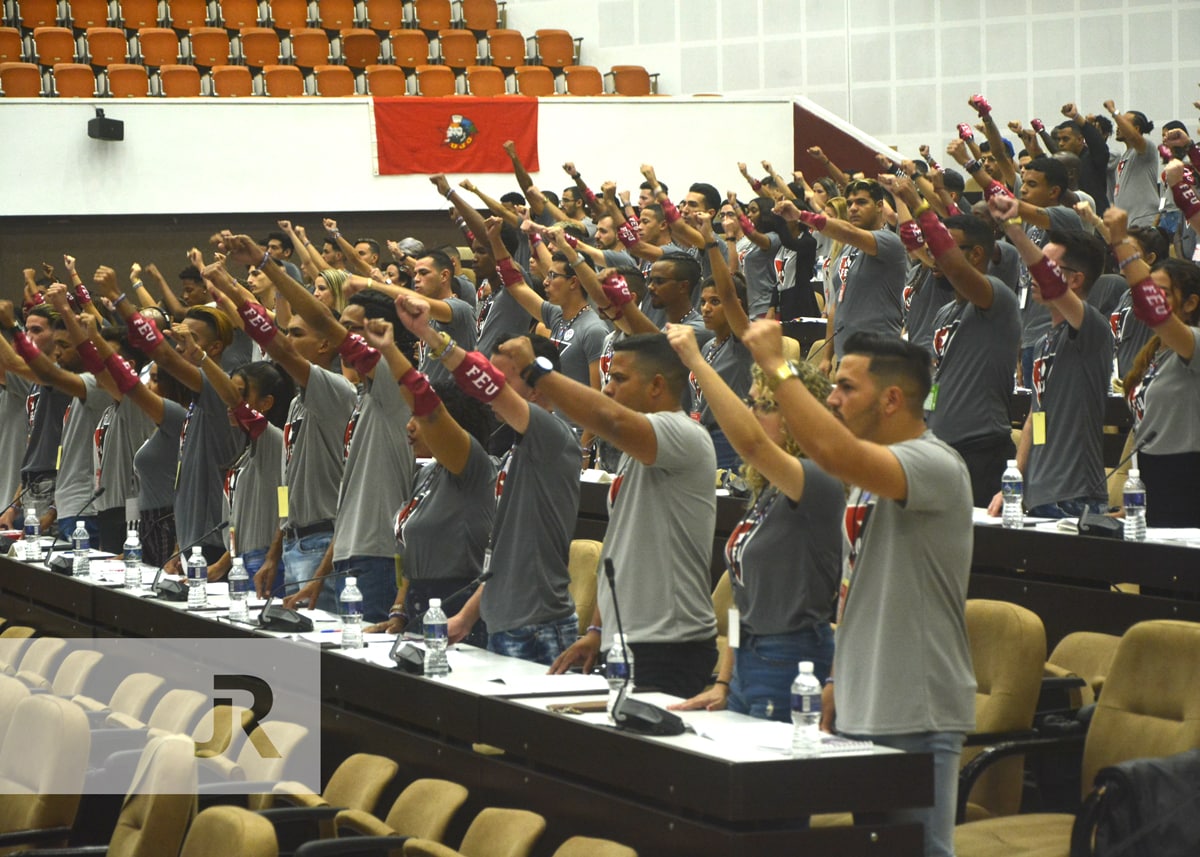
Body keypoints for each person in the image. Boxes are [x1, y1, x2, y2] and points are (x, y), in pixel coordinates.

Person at [740, 322, 975, 857]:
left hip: (919, 707)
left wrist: (778, 370)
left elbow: (831, 451)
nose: (835, 398)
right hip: (862, 701)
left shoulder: (935, 464)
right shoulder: (870, 479)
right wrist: (839, 676)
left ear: (892, 398)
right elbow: (858, 587)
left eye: (846, 387)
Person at [513, 332, 717, 699]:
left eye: (618, 379)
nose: (607, 389)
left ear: (657, 386)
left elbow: (609, 419)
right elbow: (620, 548)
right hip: (624, 637)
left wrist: (535, 370)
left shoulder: (683, 435)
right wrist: (596, 630)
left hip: (670, 643)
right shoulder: (636, 450)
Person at [666, 327, 841, 721]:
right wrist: (724, 681)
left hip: (793, 660)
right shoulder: (767, 491)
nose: (752, 415)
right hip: (747, 662)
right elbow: (742, 603)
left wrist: (696, 361)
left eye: (765, 406)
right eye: (752, 403)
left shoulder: (817, 480)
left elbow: (750, 445)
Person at [398, 302, 582, 665]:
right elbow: (504, 556)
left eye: (504, 378)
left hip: (538, 622)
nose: (490, 392)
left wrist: (429, 336)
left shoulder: (551, 434)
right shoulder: (514, 449)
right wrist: (466, 617)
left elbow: (480, 381)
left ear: (534, 386)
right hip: (504, 617)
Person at [883, 175, 1022, 507]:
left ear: (975, 255)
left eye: (945, 248)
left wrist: (918, 204)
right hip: (940, 448)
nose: (934, 254)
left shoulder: (996, 299)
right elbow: (938, 377)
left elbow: (958, 271)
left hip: (981, 449)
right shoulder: (945, 311)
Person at [984, 198, 1113, 519]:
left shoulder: (1091, 328)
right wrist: (1013, 484)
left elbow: (1054, 288)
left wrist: (1015, 231)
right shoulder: (1044, 341)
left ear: (1075, 279)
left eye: (1046, 267)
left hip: (1076, 493)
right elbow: (1033, 416)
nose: (1033, 275)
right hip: (1037, 492)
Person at [1109, 207, 1200, 527]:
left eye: (1161, 294)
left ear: (1190, 303)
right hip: (1152, 477)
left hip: (1187, 479)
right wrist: (1139, 499)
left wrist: (1120, 242)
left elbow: (1157, 313)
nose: (1148, 300)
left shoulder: (1194, 345)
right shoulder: (1156, 353)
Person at [775, 180, 907, 377]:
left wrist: (801, 215)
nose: (853, 208)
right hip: (846, 351)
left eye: (861, 202)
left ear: (880, 206)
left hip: (879, 352)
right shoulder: (847, 248)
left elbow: (849, 231)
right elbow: (836, 304)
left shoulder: (889, 242)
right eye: (850, 203)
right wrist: (828, 356)